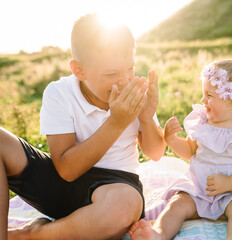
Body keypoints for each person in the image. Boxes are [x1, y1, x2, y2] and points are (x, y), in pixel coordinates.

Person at [1, 13, 166, 240]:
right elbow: (67, 171)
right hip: (62, 182)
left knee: (125, 207)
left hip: (115, 187)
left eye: (130, 69)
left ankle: (30, 235)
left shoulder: (133, 94)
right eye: (112, 74)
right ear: (79, 70)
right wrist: (115, 123)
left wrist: (147, 119)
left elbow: (155, 153)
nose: (125, 81)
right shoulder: (59, 93)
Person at [129, 59, 232, 240]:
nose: (203, 100)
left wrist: (229, 183)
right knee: (177, 204)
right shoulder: (202, 122)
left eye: (210, 96)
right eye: (204, 94)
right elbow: (189, 151)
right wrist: (172, 139)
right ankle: (159, 234)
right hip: (198, 189)